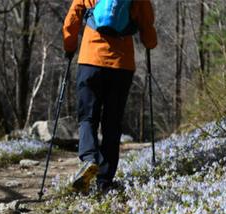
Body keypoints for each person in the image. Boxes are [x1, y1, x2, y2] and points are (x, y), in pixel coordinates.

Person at [63, 0, 157, 194]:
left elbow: (72, 18)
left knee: (88, 116)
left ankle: (89, 159)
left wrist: (70, 46)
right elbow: (147, 25)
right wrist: (150, 42)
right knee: (112, 122)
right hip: (121, 65)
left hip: (90, 60)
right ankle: (104, 181)